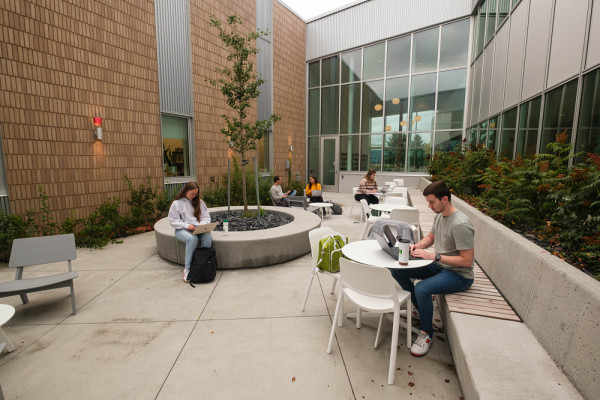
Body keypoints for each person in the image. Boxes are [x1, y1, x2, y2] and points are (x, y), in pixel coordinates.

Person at [391, 181, 474, 357]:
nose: (429, 206)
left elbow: (467, 261)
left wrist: (433, 256)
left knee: (422, 288)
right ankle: (419, 308)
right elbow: (430, 237)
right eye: (428, 202)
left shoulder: (461, 225)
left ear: (445, 199)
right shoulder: (440, 215)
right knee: (397, 270)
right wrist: (416, 246)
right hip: (439, 266)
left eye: (431, 202)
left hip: (459, 274)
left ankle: (426, 333)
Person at [168, 181, 212, 283]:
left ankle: (203, 264)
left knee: (207, 237)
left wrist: (201, 225)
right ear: (186, 191)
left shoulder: (200, 202)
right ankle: (187, 269)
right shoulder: (177, 203)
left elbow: (206, 217)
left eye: (196, 194)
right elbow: (173, 221)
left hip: (198, 229)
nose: (194, 196)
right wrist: (186, 225)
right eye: (192, 194)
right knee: (192, 239)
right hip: (182, 229)